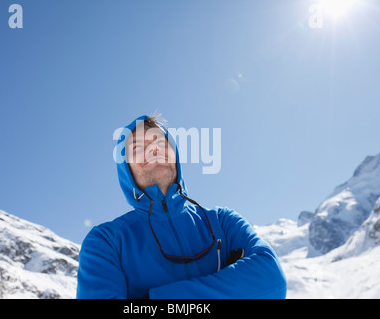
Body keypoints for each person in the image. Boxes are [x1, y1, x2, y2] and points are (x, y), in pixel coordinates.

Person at [76, 114, 287, 299]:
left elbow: (272, 280)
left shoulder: (223, 221)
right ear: (125, 169)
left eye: (160, 142)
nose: (153, 150)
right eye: (138, 147)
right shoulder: (106, 242)